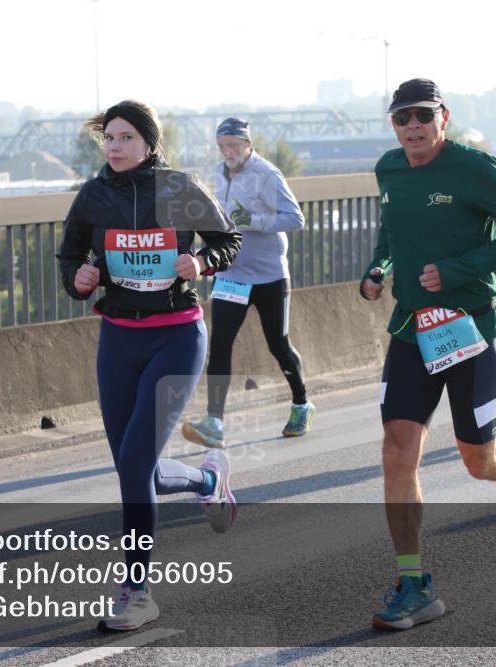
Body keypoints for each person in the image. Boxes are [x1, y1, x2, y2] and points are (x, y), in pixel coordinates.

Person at [360, 78, 496, 631]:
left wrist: (459, 269)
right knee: (397, 451)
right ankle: (414, 583)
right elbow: (390, 230)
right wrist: (379, 268)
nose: (413, 127)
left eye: (423, 115)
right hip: (412, 329)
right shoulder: (389, 169)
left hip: (470, 328)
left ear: (442, 117)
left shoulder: (474, 167)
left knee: (479, 460)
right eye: (402, 118)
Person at [57, 100, 242, 632]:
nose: (114, 147)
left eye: (125, 137)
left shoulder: (179, 189)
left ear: (148, 143)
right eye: (108, 138)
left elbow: (227, 240)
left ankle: (137, 592)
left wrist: (201, 261)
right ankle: (208, 479)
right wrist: (79, 281)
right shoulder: (92, 196)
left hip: (177, 336)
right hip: (118, 338)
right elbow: (68, 259)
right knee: (136, 468)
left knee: (136, 465)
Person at [181, 117, 312, 449]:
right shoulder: (216, 173)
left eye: (234, 145)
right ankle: (214, 422)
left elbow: (295, 218)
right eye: (222, 146)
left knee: (277, 344)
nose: (228, 152)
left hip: (269, 276)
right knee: (221, 343)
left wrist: (254, 220)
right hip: (232, 275)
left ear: (247, 144)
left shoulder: (266, 174)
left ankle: (301, 403)